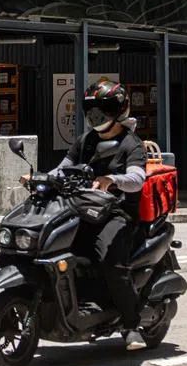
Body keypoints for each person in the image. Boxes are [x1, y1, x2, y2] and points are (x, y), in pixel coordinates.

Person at [38, 78, 149, 351]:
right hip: (83, 208)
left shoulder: (131, 143)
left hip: (116, 213)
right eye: (91, 111)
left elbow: (138, 178)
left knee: (109, 259)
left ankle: (131, 325)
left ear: (118, 111)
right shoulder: (86, 140)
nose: (95, 117)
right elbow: (63, 168)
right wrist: (38, 178)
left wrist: (112, 179)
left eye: (102, 111)